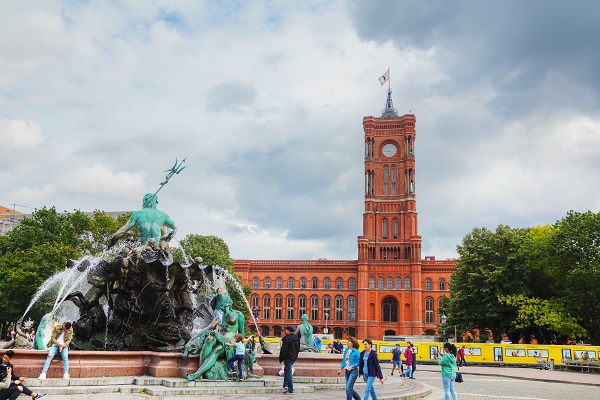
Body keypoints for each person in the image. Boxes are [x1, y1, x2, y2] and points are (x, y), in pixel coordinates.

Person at [108, 193, 177, 247]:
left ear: (144, 201)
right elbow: (174, 228)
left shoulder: (138, 214)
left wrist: (112, 241)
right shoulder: (163, 215)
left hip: (143, 248)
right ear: (155, 202)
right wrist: (167, 236)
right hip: (157, 249)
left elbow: (123, 230)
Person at [279, 326, 300, 395]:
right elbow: (298, 349)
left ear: (288, 331)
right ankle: (285, 385)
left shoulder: (287, 339)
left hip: (288, 357)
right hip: (293, 357)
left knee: (288, 372)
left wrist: (282, 357)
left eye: (286, 330)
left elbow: (284, 349)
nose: (285, 331)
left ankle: (290, 390)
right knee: (286, 370)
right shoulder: (296, 338)